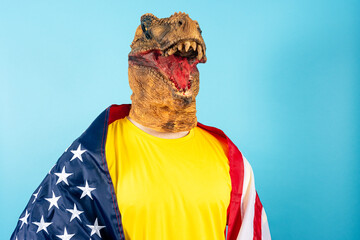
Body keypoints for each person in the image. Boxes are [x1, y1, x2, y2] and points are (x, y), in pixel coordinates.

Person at [11, 12, 271, 240]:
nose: (186, 22)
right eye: (149, 25)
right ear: (133, 61)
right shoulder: (94, 154)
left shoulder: (230, 160)